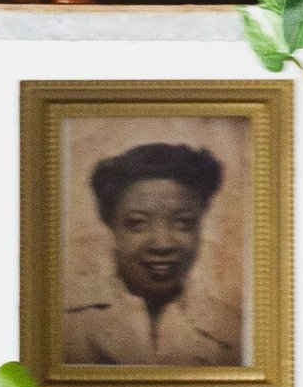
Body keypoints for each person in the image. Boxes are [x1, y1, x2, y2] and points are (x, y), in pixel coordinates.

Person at [62, 141, 241, 371]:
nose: (162, 244)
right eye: (138, 223)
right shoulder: (62, 321)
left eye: (183, 223)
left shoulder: (236, 331)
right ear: (111, 225)